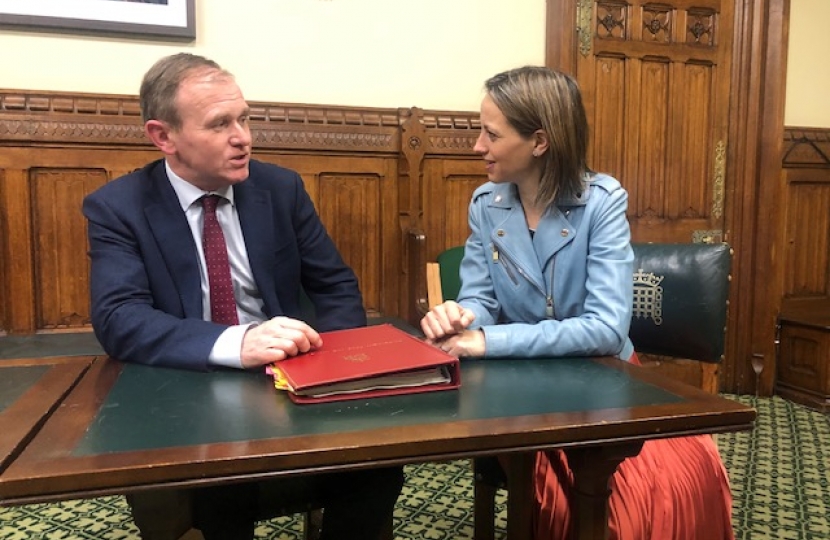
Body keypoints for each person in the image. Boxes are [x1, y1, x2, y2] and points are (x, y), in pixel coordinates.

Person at [83, 53, 403, 540]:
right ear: (163, 136)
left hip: (289, 381)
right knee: (219, 494)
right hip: (189, 391)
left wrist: (335, 368)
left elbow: (334, 284)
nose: (243, 137)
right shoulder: (119, 207)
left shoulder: (280, 188)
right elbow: (120, 318)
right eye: (219, 124)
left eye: (245, 118)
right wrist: (238, 343)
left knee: (378, 468)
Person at [420, 66, 734, 540]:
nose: (477, 147)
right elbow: (481, 298)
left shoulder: (602, 202)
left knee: (672, 493)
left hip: (604, 381)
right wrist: (462, 317)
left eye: (490, 134)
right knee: (582, 513)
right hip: (517, 390)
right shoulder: (486, 203)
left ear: (540, 142)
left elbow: (606, 330)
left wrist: (486, 339)